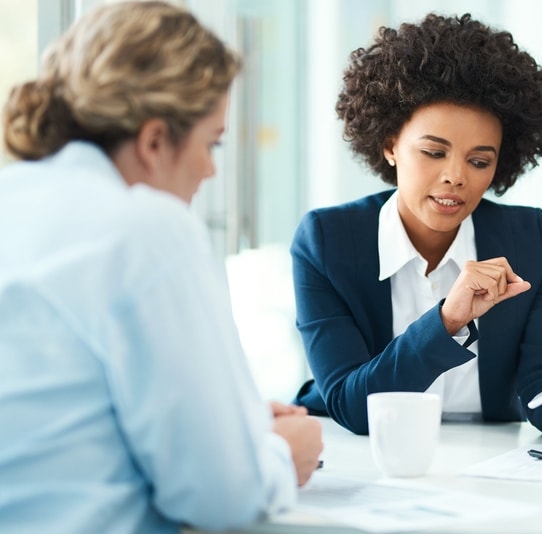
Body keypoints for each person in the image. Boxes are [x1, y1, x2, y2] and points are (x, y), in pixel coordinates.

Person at [0, 2, 322, 532]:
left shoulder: (17, 200)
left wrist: (228, 427)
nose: (211, 169)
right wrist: (279, 454)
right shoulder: (143, 227)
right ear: (153, 141)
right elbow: (220, 497)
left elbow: (63, 429)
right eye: (210, 142)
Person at [291, 13, 542, 436]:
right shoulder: (326, 241)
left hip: (488, 459)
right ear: (390, 144)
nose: (457, 176)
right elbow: (354, 407)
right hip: (354, 452)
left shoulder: (530, 239)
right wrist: (448, 320)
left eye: (479, 161)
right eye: (434, 152)